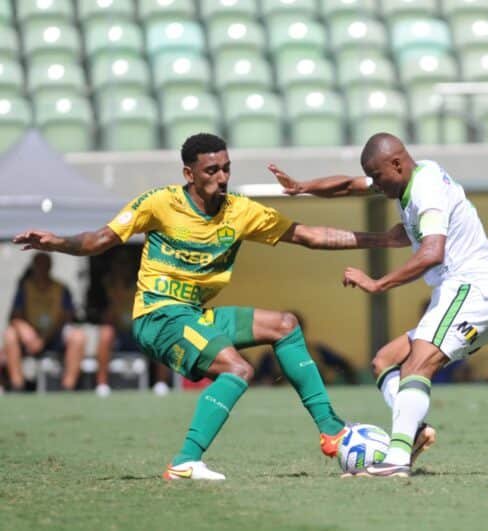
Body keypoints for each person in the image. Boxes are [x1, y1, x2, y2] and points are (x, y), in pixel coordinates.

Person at [10, 133, 394, 480]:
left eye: (226, 168)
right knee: (238, 369)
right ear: (189, 173)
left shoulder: (241, 211)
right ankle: (185, 462)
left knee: (285, 325)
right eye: (212, 170)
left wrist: (382, 241)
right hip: (158, 316)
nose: (222, 177)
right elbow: (100, 239)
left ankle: (331, 430)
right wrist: (58, 242)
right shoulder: (160, 203)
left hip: (192, 314)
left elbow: (310, 235)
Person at [269, 132, 488, 477]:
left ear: (396, 164)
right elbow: (350, 185)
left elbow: (433, 252)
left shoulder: (426, 189)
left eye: (380, 177)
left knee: (416, 368)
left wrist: (378, 282)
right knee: (385, 361)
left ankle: (396, 459)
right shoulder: (408, 176)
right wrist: (302, 187)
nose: (377, 187)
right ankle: (413, 432)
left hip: (473, 290)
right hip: (468, 295)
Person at [2, 252, 87, 391]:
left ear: (50, 267)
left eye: (44, 265)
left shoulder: (61, 288)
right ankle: (17, 385)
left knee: (78, 337)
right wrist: (26, 331)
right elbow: (14, 317)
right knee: (9, 335)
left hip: (55, 334)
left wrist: (44, 338)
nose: (41, 268)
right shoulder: (25, 287)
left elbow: (67, 317)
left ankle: (68, 386)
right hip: (31, 337)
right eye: (38, 265)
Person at [94, 250, 172, 397]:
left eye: (125, 264)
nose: (122, 268)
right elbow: (102, 315)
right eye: (119, 264)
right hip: (118, 333)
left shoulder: (143, 282)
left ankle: (161, 383)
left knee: (160, 330)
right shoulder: (105, 284)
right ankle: (102, 385)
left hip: (140, 330)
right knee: (105, 333)